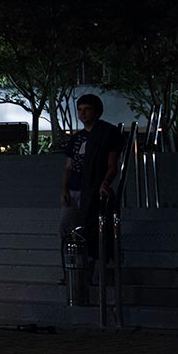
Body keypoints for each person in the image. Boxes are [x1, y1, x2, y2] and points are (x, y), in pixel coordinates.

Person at [61, 94, 124, 268]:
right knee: (67, 225)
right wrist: (64, 189)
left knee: (92, 226)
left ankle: (93, 264)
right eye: (80, 110)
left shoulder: (108, 133)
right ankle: (73, 264)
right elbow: (69, 166)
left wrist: (105, 182)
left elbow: (113, 164)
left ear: (96, 112)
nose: (83, 114)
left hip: (93, 188)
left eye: (87, 110)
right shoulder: (77, 138)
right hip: (74, 189)